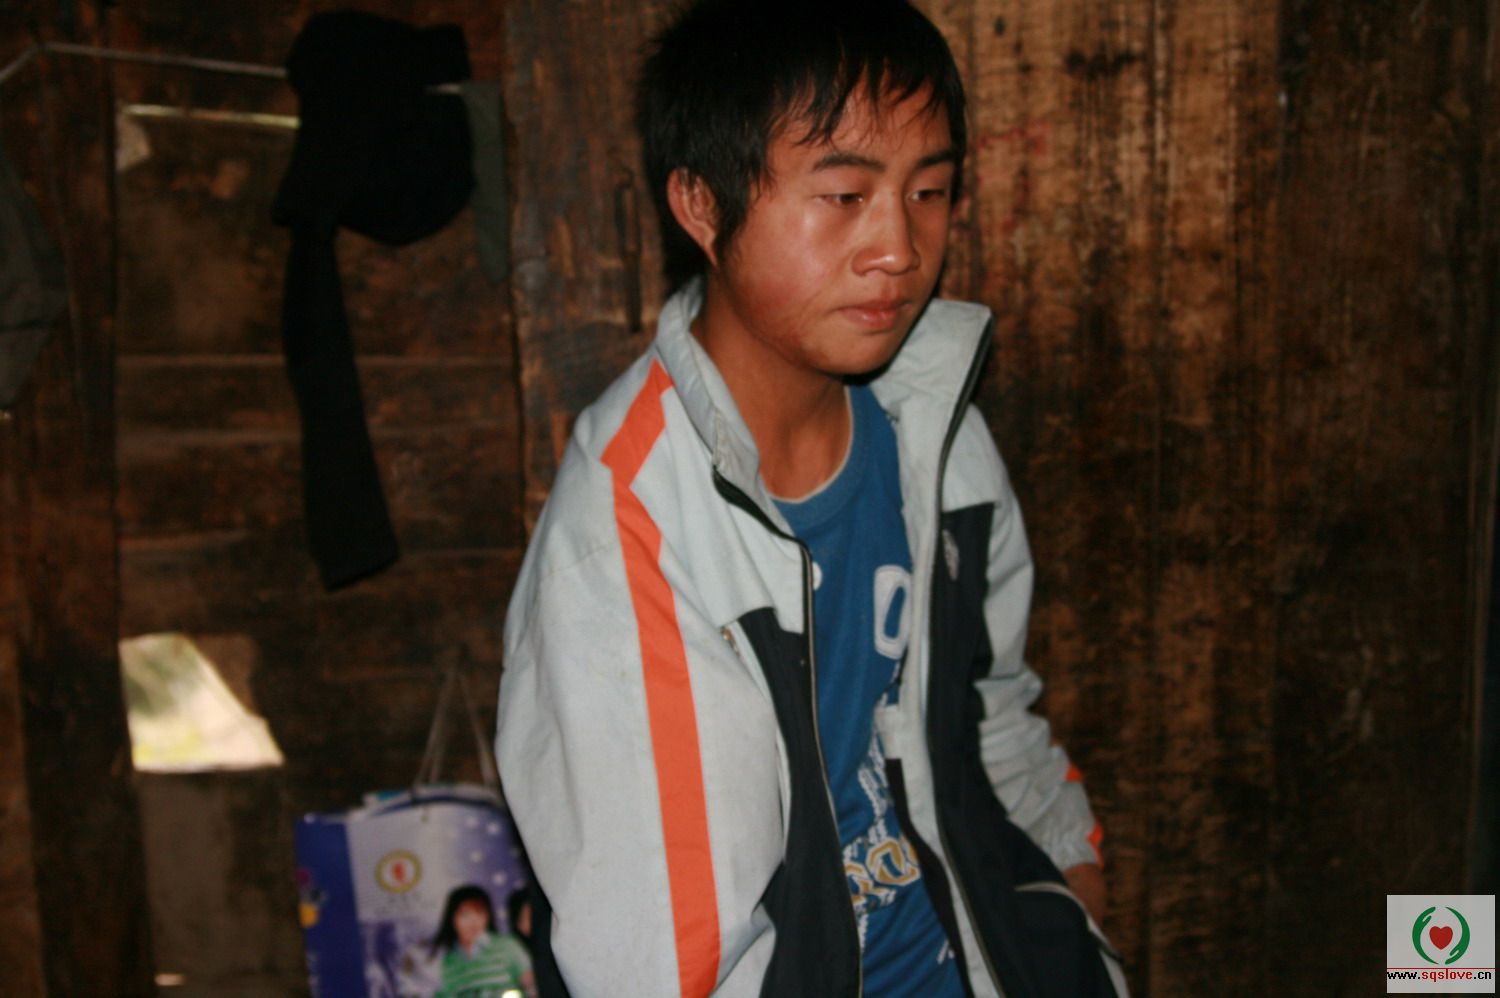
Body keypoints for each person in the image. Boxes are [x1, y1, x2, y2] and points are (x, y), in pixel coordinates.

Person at [495, 1, 1127, 994]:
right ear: (701, 205)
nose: (898, 247)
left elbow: (987, 704)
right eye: (843, 195)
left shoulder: (934, 429)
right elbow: (667, 968)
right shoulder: (629, 543)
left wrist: (1072, 887)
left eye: (929, 190)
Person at [429, 884, 535, 998]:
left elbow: (531, 986)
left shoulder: (507, 946)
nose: (473, 921)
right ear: (452, 919)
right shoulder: (449, 962)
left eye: (479, 913)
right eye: (465, 915)